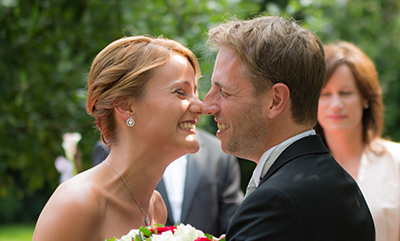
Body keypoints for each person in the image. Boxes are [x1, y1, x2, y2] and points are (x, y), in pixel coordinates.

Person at [202, 16, 375, 240]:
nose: (207, 105)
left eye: (225, 92)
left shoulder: (277, 201)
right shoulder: (338, 183)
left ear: (275, 100)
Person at [33, 35, 202, 241]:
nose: (200, 106)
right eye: (180, 92)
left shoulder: (155, 207)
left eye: (195, 92)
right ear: (126, 106)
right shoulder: (77, 203)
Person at [316, 41, 400, 241]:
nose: (336, 105)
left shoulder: (396, 162)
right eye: (325, 94)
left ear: (365, 98)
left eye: (345, 93)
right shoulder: (300, 171)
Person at [92, 128, 244, 237]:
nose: (197, 105)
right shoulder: (112, 150)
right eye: (179, 92)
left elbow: (233, 223)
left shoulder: (218, 153)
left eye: (194, 90)